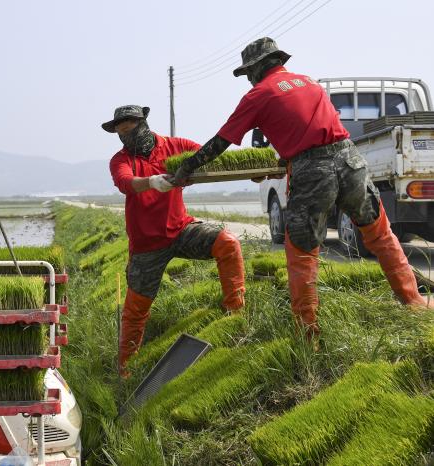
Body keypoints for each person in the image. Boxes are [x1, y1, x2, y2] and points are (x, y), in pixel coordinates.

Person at [172, 37, 433, 340]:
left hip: (313, 173)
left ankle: (307, 332)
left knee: (301, 251)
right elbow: (312, 131)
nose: (248, 81)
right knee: (380, 234)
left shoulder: (257, 96)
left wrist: (187, 168)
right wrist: (285, 160)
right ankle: (413, 301)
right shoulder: (309, 83)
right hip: (350, 160)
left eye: (248, 75)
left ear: (256, 69)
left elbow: (222, 141)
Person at [105, 105, 245, 375]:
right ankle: (125, 370)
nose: (126, 136)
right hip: (146, 244)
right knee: (136, 310)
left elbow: (212, 158)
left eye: (130, 129)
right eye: (120, 133)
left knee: (228, 243)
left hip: (181, 229)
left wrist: (255, 171)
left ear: (143, 123)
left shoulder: (176, 146)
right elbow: (126, 183)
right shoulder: (120, 160)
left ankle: (235, 314)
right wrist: (152, 182)